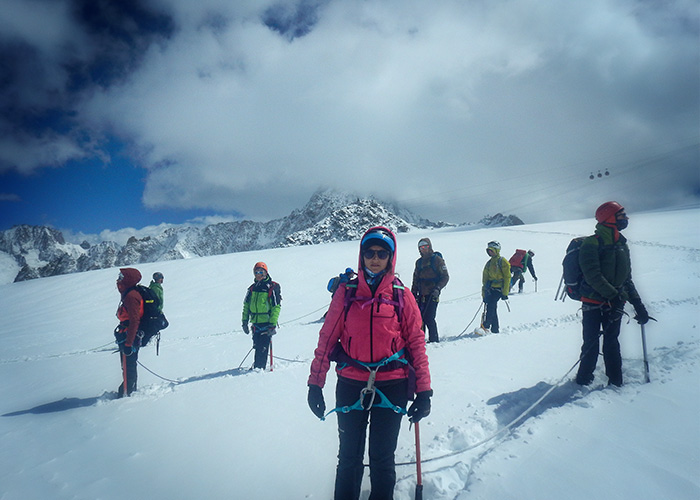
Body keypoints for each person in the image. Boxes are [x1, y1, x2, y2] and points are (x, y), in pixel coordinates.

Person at [307, 226, 432, 500]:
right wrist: (315, 383)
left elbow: (416, 343)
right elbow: (327, 338)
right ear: (361, 255)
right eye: (369, 252)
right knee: (349, 457)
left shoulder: (401, 294)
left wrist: (424, 391)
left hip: (393, 385)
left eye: (382, 253)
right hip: (351, 383)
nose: (375, 258)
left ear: (391, 257)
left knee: (382, 458)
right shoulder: (347, 292)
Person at [575, 202, 650, 387]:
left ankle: (616, 381)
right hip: (593, 302)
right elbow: (592, 275)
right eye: (621, 215)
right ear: (609, 217)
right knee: (591, 342)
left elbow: (626, 278)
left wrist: (638, 304)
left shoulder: (622, 244)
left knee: (611, 342)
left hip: (615, 303)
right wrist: (615, 297)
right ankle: (583, 380)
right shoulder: (591, 243)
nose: (626, 218)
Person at [242, 262, 282, 370]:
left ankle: (259, 369)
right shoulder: (252, 289)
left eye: (261, 272)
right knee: (257, 345)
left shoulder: (272, 287)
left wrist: (272, 324)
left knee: (263, 347)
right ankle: (257, 367)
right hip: (255, 323)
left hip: (266, 323)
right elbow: (246, 306)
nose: (258, 274)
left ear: (265, 272)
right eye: (256, 272)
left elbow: (276, 307)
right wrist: (244, 321)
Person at [411, 238, 449, 342]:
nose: (423, 249)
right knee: (420, 318)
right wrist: (412, 294)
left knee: (429, 318)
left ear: (429, 247)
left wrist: (437, 289)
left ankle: (434, 340)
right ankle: (420, 340)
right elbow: (415, 279)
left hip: (433, 294)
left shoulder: (437, 260)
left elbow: (445, 277)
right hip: (421, 294)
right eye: (421, 247)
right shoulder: (418, 263)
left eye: (425, 247)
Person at [115, 267, 143, 397]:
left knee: (128, 364)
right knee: (129, 364)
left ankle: (127, 393)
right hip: (128, 334)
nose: (118, 279)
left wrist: (128, 343)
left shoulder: (131, 296)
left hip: (129, 336)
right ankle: (130, 389)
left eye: (121, 277)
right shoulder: (130, 293)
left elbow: (134, 321)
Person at [481, 241, 511, 334]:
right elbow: (485, 278)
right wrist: (484, 293)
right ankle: (495, 329)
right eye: (489, 251)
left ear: (497, 250)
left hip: (500, 289)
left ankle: (486, 324)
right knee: (492, 306)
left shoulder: (502, 261)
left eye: (492, 251)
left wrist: (505, 293)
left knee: (491, 305)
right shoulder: (489, 263)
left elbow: (507, 277)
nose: (490, 253)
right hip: (490, 288)